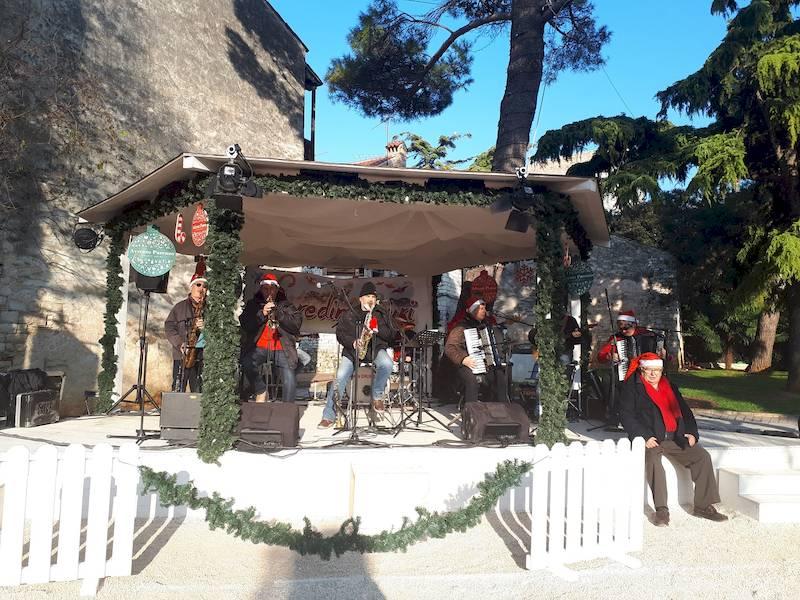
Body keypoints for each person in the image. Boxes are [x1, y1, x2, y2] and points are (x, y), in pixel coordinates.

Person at [619, 352, 728, 526]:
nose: (653, 374)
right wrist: (644, 436)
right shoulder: (632, 388)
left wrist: (691, 432)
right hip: (651, 438)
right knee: (654, 462)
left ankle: (702, 506)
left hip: (675, 437)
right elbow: (626, 416)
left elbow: (686, 412)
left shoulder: (669, 386)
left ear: (661, 371)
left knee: (702, 456)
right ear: (642, 370)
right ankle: (662, 510)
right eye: (649, 370)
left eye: (657, 370)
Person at [318, 281, 396, 429]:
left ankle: (377, 395)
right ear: (361, 299)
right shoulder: (350, 313)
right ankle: (328, 416)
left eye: (373, 297)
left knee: (387, 364)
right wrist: (353, 342)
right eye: (368, 296)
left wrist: (377, 328)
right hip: (353, 351)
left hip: (374, 349)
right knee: (340, 376)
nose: (371, 299)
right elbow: (341, 334)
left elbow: (391, 335)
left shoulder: (381, 313)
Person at [240, 273, 303, 403]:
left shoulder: (286, 305)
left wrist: (279, 314)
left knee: (289, 378)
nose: (269, 292)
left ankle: (287, 409)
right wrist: (262, 313)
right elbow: (246, 325)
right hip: (259, 347)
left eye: (272, 288)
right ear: (261, 289)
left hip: (282, 348)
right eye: (265, 289)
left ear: (277, 289)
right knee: (247, 363)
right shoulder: (253, 304)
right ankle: (261, 390)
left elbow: (296, 324)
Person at [444, 296, 508, 404]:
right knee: (471, 381)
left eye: (484, 308)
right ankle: (471, 410)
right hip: (464, 363)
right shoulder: (461, 326)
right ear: (473, 310)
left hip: (484, 363)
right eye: (481, 308)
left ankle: (501, 407)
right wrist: (463, 359)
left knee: (499, 374)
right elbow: (449, 347)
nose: (484, 311)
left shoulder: (486, 325)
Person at [165, 267, 207, 392]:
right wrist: (179, 343)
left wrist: (206, 327)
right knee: (178, 389)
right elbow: (169, 327)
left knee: (198, 391)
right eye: (198, 285)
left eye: (204, 286)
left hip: (201, 356)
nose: (201, 289)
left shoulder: (209, 308)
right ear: (191, 287)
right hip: (182, 354)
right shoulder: (179, 307)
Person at [598, 309, 665, 375]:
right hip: (627, 374)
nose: (623, 331)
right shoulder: (616, 338)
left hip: (648, 374)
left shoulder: (649, 335)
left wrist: (664, 356)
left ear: (634, 325)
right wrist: (608, 357)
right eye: (620, 329)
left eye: (626, 328)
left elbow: (666, 356)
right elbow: (600, 356)